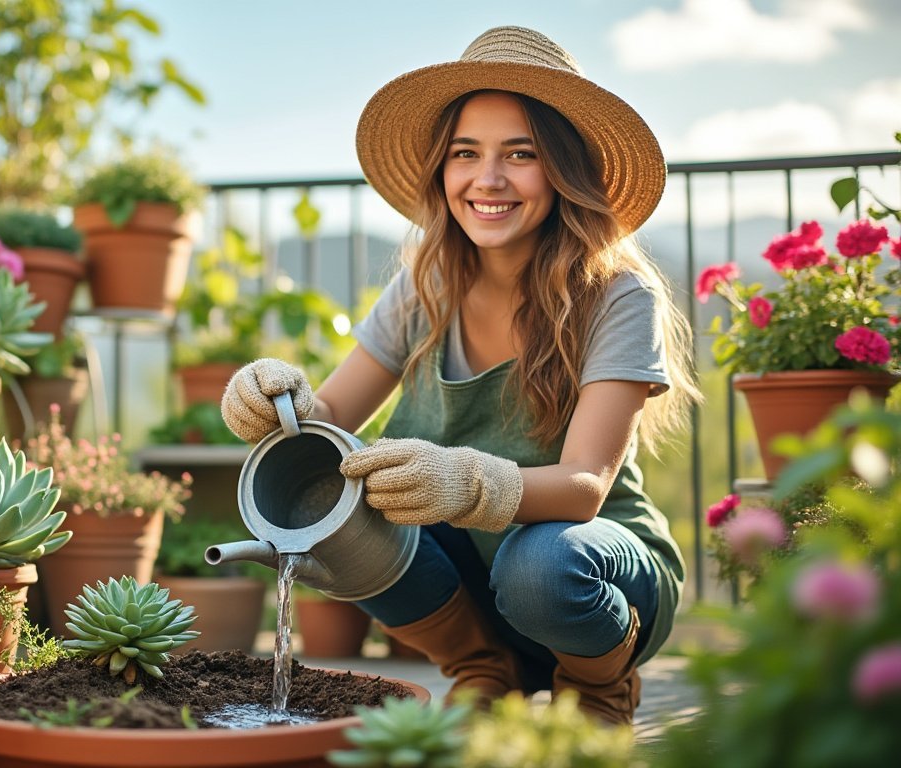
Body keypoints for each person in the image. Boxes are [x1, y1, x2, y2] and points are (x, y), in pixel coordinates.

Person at [219, 26, 699, 726]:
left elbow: (586, 488)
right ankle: (484, 670)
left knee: (538, 566)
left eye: (522, 155)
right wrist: (268, 401)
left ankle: (599, 689)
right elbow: (325, 424)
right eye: (465, 153)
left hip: (587, 580)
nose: (488, 179)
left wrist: (468, 480)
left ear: (563, 171)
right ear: (442, 172)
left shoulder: (617, 295)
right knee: (335, 509)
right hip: (468, 594)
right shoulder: (424, 288)